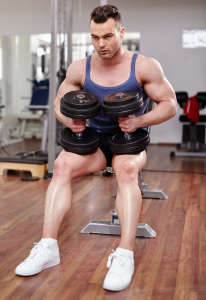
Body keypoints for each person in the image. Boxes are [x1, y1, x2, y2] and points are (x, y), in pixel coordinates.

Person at [15, 5, 177, 292]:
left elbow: (169, 105)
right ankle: (48, 247)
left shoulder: (144, 66)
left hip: (130, 141)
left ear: (121, 32)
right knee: (62, 165)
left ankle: (125, 255)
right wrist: (72, 121)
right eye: (95, 37)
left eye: (108, 36)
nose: (101, 44)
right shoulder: (82, 68)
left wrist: (140, 120)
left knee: (125, 169)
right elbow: (58, 102)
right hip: (95, 141)